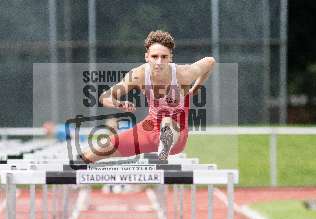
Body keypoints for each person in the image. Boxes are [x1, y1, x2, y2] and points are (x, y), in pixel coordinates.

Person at [74, 30, 215, 164]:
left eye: (164, 57)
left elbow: (210, 61)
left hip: (176, 134)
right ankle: (74, 179)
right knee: (93, 152)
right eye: (155, 57)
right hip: (148, 130)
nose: (159, 62)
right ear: (147, 57)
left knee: (167, 122)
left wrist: (195, 89)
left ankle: (163, 151)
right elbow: (105, 97)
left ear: (170, 57)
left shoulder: (184, 74)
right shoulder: (139, 74)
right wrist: (118, 103)